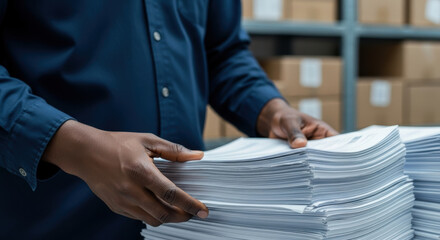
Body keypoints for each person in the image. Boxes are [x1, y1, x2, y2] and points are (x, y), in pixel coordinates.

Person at [0, 0, 337, 239]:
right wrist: (78, 149)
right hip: (56, 218)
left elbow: (223, 52)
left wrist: (271, 110)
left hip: (187, 225)